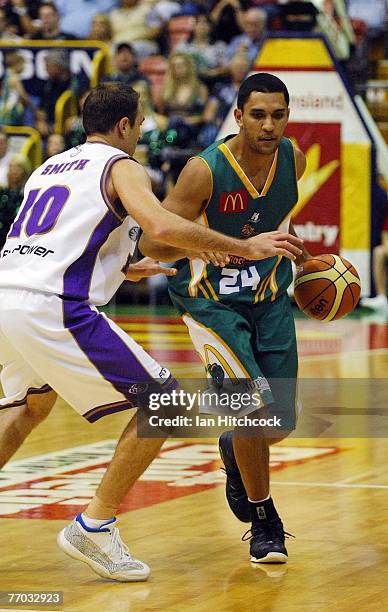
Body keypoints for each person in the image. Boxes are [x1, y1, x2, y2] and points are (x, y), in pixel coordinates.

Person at [0, 82, 303, 581]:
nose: (141, 132)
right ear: (123, 126)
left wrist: (124, 268)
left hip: (10, 296)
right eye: (140, 124)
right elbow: (160, 227)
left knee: (30, 406)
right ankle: (95, 526)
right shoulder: (120, 165)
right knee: (167, 404)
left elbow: (56, 240)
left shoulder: (48, 166)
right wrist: (243, 247)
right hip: (52, 306)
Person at [139, 73, 310, 564]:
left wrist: (305, 259)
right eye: (258, 114)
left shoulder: (292, 160)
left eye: (278, 114)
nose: (269, 124)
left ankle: (235, 447)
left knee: (277, 423)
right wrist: (205, 244)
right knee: (253, 410)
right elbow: (152, 241)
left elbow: (274, 223)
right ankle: (264, 520)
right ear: (238, 116)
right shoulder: (204, 171)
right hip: (210, 303)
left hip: (270, 298)